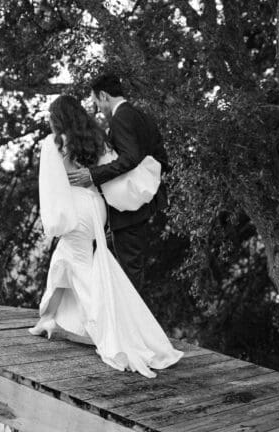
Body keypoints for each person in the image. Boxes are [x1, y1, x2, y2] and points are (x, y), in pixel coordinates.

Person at [30, 95, 182, 379]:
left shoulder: (54, 143)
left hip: (76, 209)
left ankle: (109, 331)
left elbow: (50, 186)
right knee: (67, 259)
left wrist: (55, 221)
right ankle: (48, 319)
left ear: (57, 118)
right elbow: (111, 169)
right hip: (95, 208)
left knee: (80, 268)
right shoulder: (96, 139)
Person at [68, 72, 168, 295]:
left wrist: (93, 175)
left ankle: (132, 317)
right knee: (126, 268)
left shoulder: (121, 117)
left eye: (96, 102)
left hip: (129, 209)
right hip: (140, 203)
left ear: (103, 95)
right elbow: (159, 157)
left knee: (129, 274)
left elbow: (130, 158)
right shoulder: (140, 116)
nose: (97, 108)